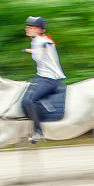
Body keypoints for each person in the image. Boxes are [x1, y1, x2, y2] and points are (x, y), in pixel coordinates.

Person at [21, 15, 66, 143]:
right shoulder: (38, 40)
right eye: (27, 26)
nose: (27, 29)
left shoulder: (41, 41)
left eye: (30, 27)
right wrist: (31, 49)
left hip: (51, 79)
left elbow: (43, 49)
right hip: (43, 77)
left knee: (29, 101)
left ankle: (38, 132)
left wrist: (35, 50)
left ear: (39, 30)